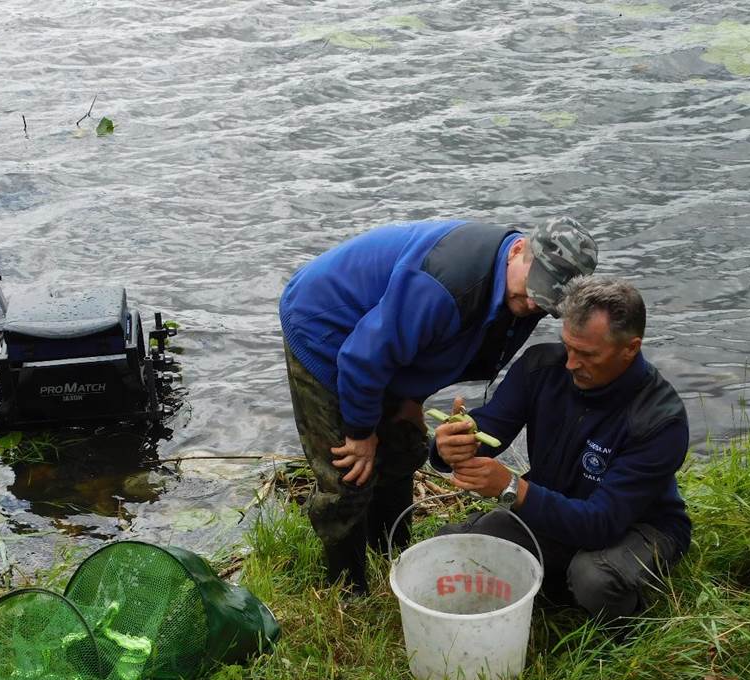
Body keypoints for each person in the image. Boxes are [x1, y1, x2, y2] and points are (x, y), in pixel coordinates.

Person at [280, 217, 598, 595]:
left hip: (377, 340)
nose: (532, 303)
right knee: (350, 473)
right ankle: (347, 590)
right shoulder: (446, 286)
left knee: (403, 447)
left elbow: (442, 344)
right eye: (532, 290)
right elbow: (361, 359)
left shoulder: (520, 295)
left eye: (545, 301)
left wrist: (411, 400)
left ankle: (392, 555)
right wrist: (361, 432)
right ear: (518, 251)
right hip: (326, 328)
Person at [431, 276, 690, 620]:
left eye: (586, 354)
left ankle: (629, 627)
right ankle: (552, 582)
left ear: (630, 348)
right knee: (451, 546)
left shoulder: (660, 419)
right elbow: (489, 427)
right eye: (567, 345)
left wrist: (511, 489)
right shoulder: (541, 368)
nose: (570, 363)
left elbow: (602, 523)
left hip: (638, 527)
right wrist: (452, 445)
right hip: (553, 510)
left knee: (593, 577)